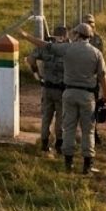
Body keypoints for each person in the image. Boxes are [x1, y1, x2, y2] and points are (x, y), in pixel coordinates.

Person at [59, 23, 106, 173]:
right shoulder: (96, 53)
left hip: (69, 93)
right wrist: (105, 96)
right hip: (87, 95)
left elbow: (48, 47)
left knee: (69, 128)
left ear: (77, 34)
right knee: (88, 130)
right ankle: (88, 164)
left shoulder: (68, 49)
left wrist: (28, 37)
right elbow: (103, 76)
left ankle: (68, 162)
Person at [22, 25, 69, 154]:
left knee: (46, 116)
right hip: (62, 89)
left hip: (47, 87)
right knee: (61, 117)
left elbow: (30, 59)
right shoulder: (68, 49)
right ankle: (59, 144)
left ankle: (44, 143)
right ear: (66, 36)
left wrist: (37, 75)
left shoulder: (46, 47)